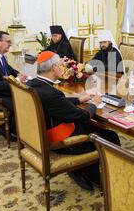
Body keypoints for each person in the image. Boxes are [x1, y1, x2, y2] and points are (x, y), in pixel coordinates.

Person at [27, 51, 121, 191]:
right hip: (60, 140)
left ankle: (84, 171)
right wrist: (94, 104)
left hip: (43, 131)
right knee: (110, 136)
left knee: (92, 126)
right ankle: (100, 177)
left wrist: (79, 99)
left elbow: (56, 103)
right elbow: (81, 116)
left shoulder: (34, 84)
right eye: (60, 65)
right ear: (53, 68)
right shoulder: (52, 93)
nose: (62, 68)